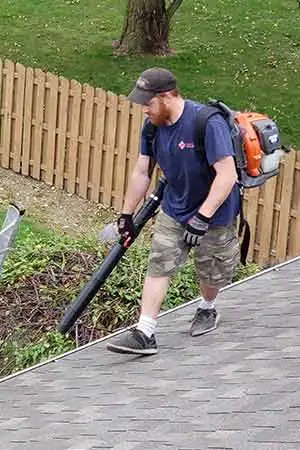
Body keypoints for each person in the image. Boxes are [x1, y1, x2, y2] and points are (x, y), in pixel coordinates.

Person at [106, 67, 241, 356]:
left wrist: (202, 217)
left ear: (166, 97)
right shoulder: (152, 127)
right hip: (175, 208)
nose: (144, 109)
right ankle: (145, 331)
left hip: (214, 214)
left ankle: (207, 308)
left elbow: (227, 175)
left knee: (211, 271)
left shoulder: (206, 123)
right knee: (160, 262)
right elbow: (143, 171)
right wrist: (126, 214)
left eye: (148, 102)